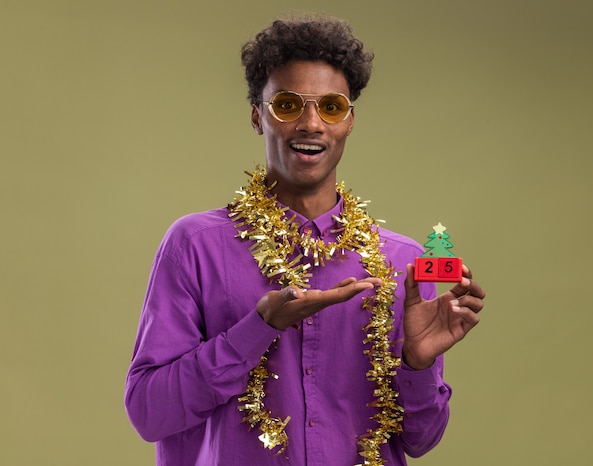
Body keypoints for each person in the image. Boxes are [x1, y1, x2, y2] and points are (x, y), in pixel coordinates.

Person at [124, 13, 485, 466]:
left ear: (350, 121)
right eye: (289, 106)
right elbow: (148, 414)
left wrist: (417, 363)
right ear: (259, 117)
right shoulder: (194, 246)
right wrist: (258, 329)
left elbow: (421, 440)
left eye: (331, 107)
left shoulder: (402, 262)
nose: (311, 124)